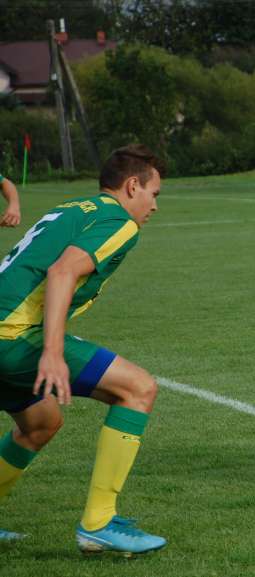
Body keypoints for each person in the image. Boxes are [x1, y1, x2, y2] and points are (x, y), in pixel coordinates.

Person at [0, 144, 167, 553]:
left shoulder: (75, 207)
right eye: (154, 194)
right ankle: (99, 522)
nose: (155, 206)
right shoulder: (119, 222)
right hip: (11, 335)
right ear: (132, 186)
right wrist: (52, 352)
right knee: (138, 389)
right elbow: (62, 271)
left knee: (40, 423)